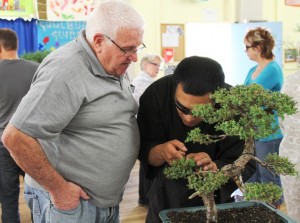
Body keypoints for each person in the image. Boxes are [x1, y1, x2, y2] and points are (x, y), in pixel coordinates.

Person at [1, 1, 146, 223]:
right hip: (73, 206)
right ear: (98, 41)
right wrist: (60, 190)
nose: (134, 57)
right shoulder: (66, 69)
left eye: (137, 48)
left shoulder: (113, 62)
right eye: (128, 49)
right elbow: (16, 137)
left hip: (104, 202)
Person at [137, 56, 256, 222]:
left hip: (216, 200)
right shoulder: (157, 94)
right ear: (174, 90)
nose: (189, 118)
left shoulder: (234, 106)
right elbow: (143, 148)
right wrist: (162, 152)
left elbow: (245, 159)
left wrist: (216, 167)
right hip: (165, 195)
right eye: (181, 107)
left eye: (201, 111)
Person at [0, 28, 39, 223]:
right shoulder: (37, 69)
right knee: (39, 198)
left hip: (3, 145)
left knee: (7, 199)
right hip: (33, 143)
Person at [243, 27, 284, 206]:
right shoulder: (254, 68)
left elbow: (249, 96)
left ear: (258, 48)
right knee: (255, 173)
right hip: (254, 130)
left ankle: (274, 209)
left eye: (247, 47)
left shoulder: (272, 69)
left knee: (268, 174)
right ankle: (258, 206)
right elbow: (242, 93)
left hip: (268, 132)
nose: (245, 51)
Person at [131, 53, 163, 206]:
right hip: (145, 128)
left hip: (142, 127)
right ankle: (147, 198)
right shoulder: (143, 82)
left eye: (159, 65)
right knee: (147, 163)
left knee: (145, 164)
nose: (158, 68)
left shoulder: (146, 81)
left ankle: (144, 197)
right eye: (154, 64)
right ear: (144, 65)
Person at [279, 71, 300, 221]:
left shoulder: (291, 80)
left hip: (292, 154)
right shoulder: (292, 80)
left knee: (295, 213)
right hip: (292, 156)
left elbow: (282, 122)